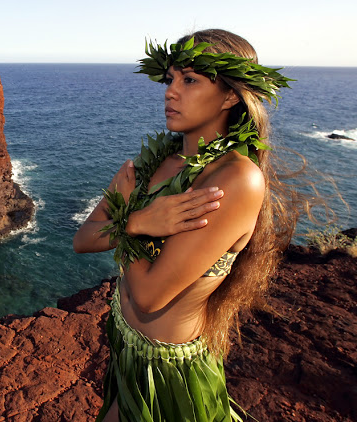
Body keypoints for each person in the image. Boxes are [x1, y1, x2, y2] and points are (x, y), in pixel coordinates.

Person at [73, 29, 297, 422]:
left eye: (189, 80)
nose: (170, 92)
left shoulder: (235, 180)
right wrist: (138, 220)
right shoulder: (153, 163)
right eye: (169, 79)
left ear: (230, 94)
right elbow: (83, 238)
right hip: (125, 353)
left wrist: (127, 221)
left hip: (170, 381)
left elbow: (148, 295)